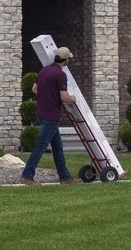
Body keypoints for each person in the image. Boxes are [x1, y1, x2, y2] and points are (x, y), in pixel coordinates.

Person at [21, 46, 84, 185]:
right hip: (51, 115)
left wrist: (47, 96)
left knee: (57, 147)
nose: (69, 61)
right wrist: (73, 98)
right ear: (66, 59)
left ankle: (65, 177)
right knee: (41, 146)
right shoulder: (61, 75)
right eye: (69, 59)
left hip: (42, 113)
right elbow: (64, 97)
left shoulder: (44, 70)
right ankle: (27, 175)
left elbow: (34, 89)